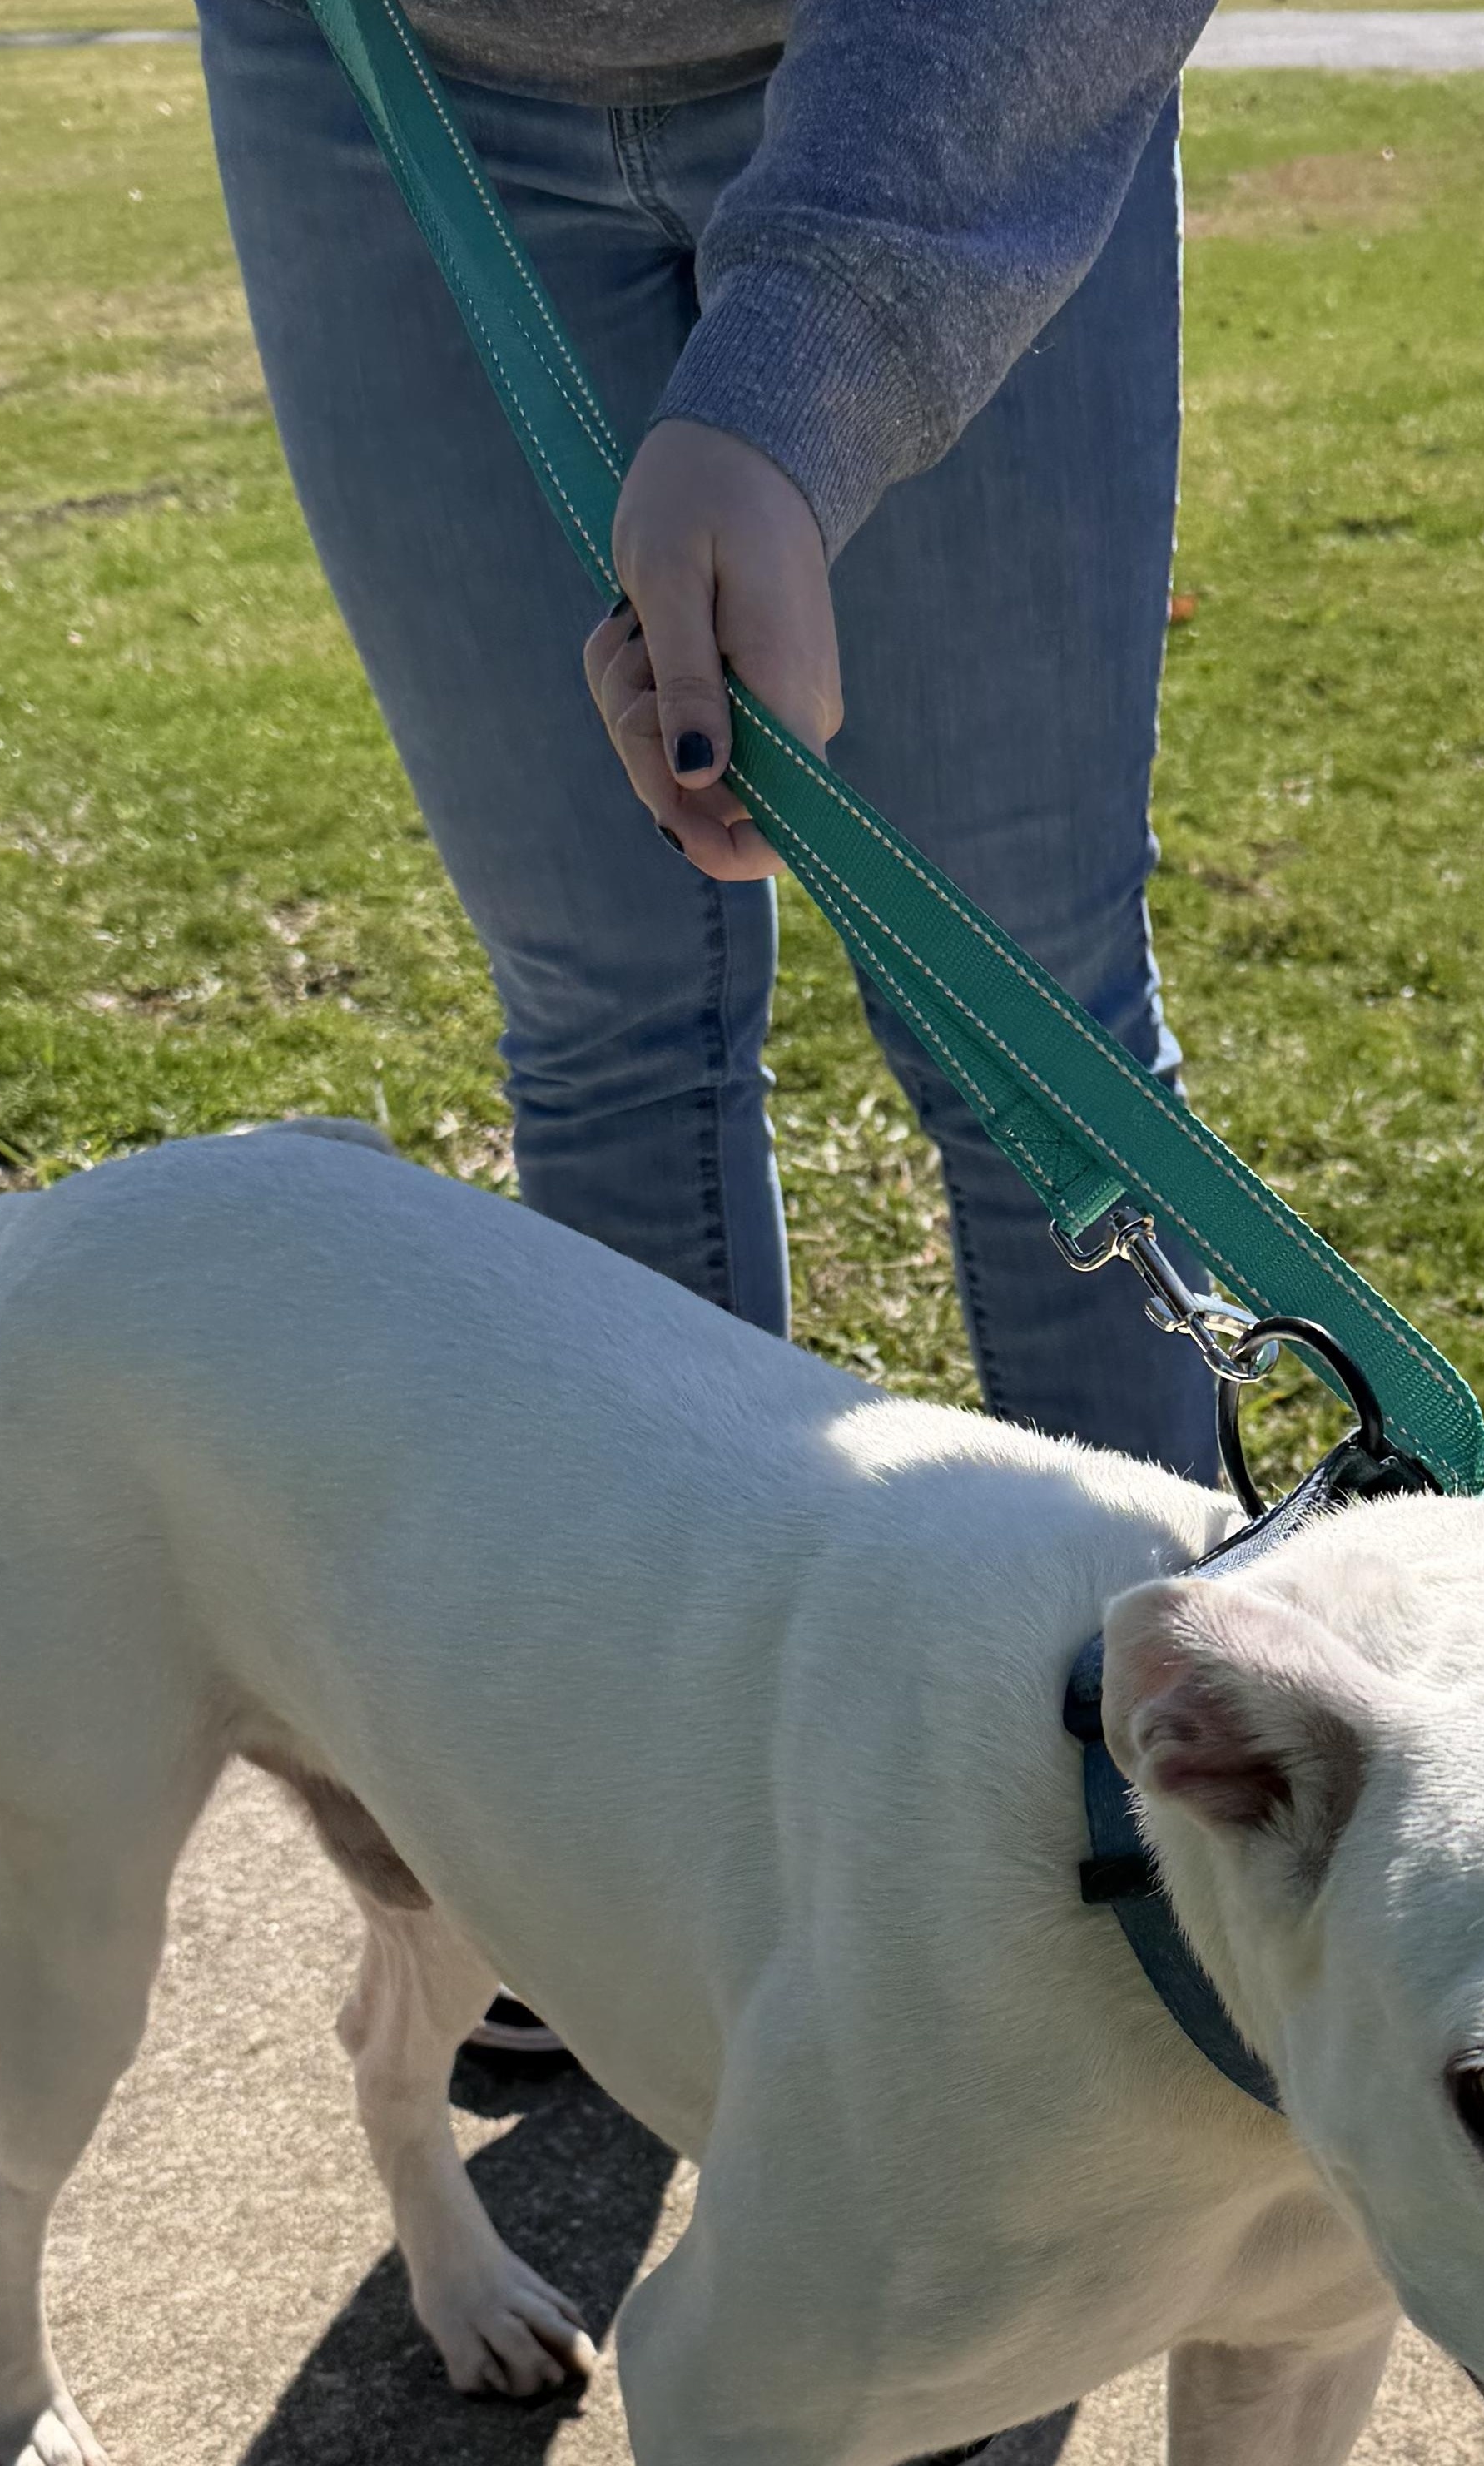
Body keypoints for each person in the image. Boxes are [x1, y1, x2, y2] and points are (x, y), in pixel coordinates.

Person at [193, 0, 1226, 1489]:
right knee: (600, 1032)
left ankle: (1136, 1712)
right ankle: (670, 1718)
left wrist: (811, 367)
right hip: (372, 67)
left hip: (954, 56)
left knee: (1037, 1037)